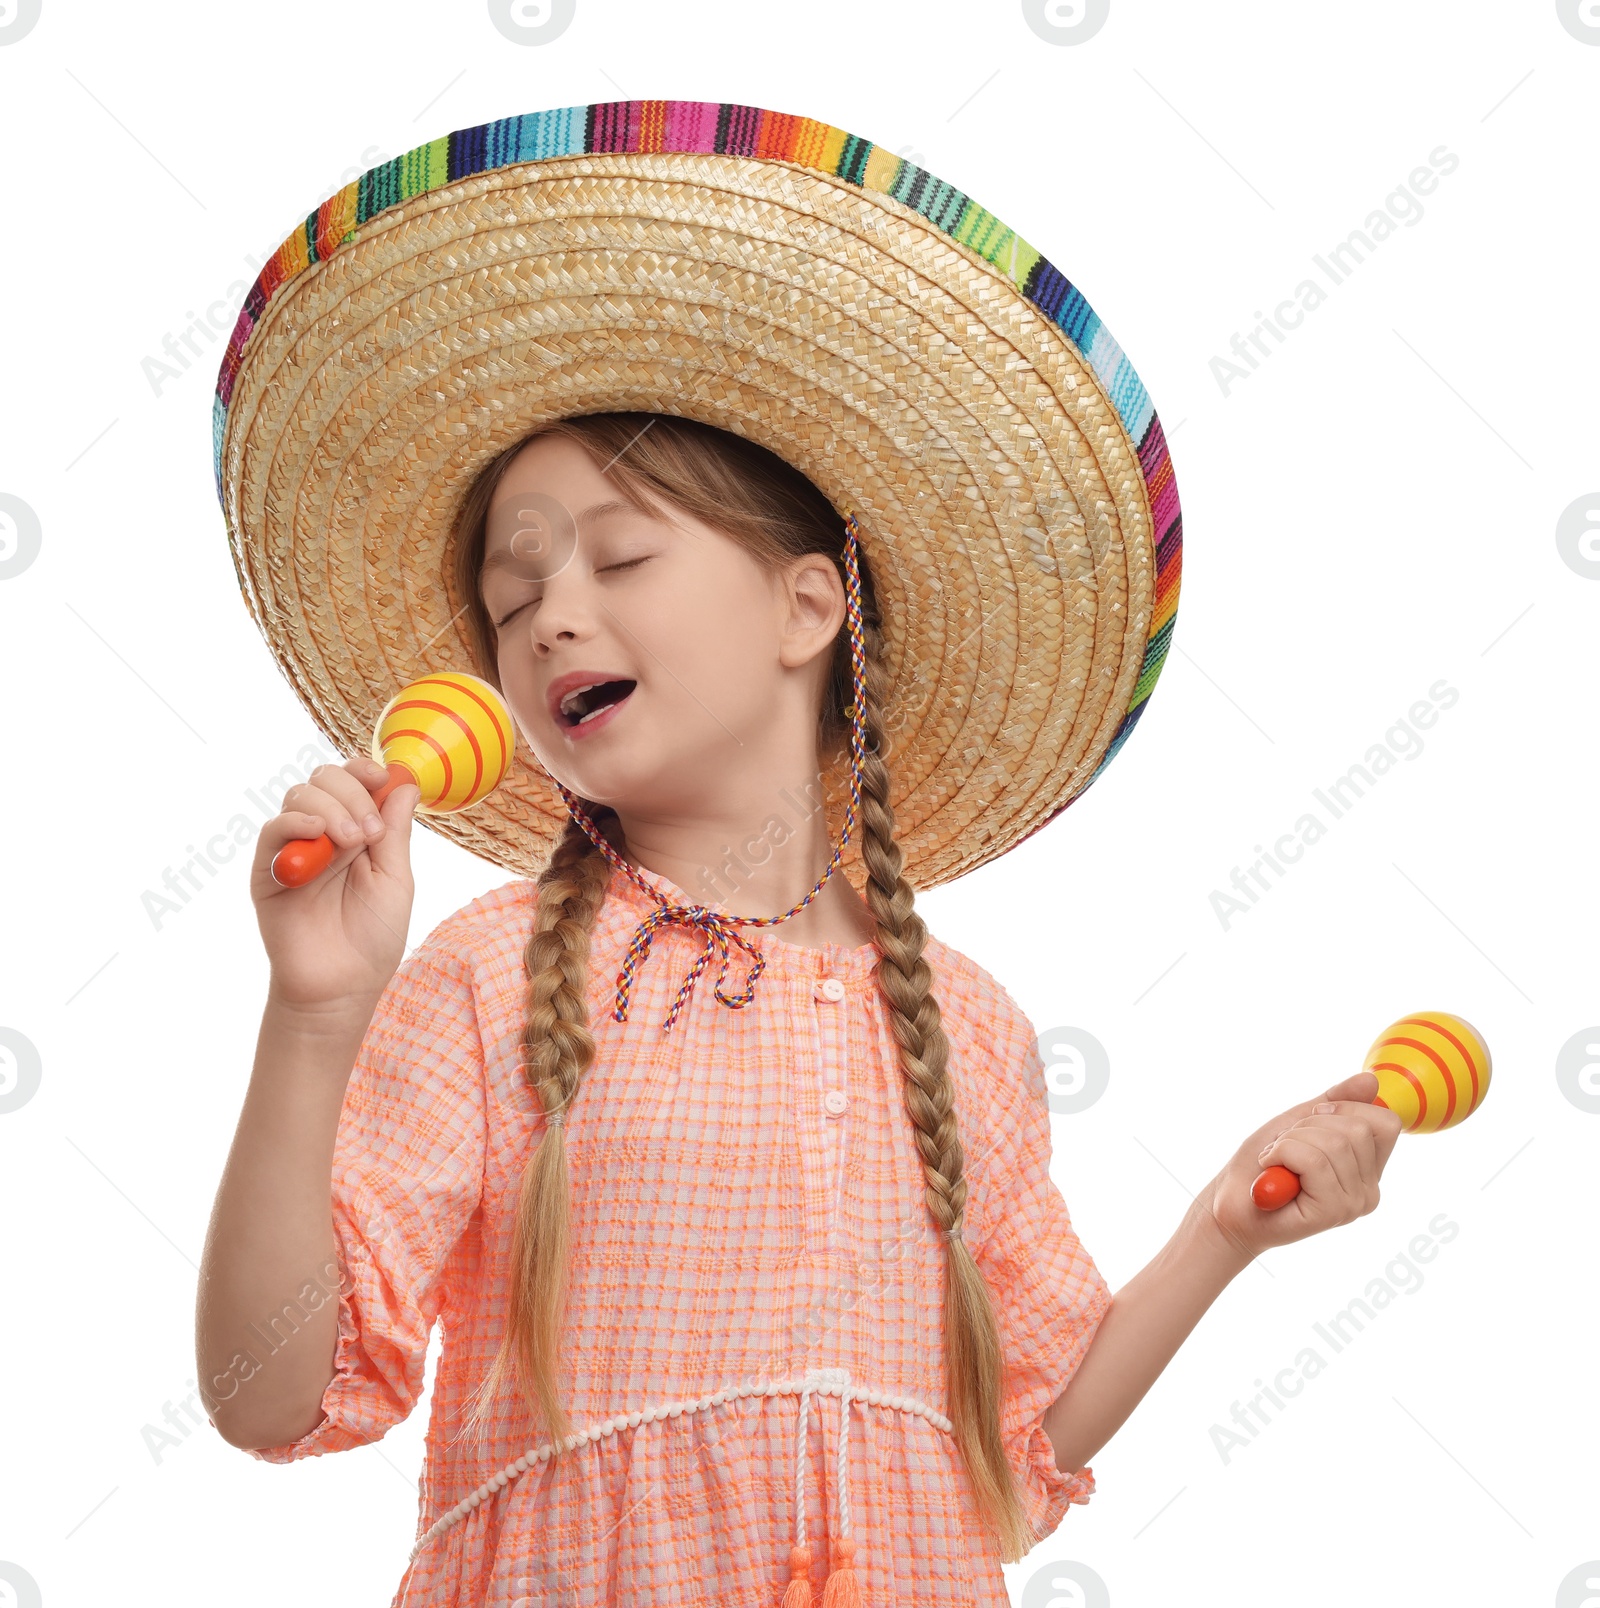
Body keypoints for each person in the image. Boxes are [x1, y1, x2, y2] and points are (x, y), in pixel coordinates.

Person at [195, 102, 1401, 1608]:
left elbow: (1013, 1456)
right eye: (515, 598)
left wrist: (1228, 1220)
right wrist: (314, 1018)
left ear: (808, 607)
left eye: (621, 557)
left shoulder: (964, 1024)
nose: (554, 614)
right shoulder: (492, 972)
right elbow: (269, 1395)